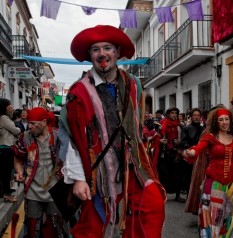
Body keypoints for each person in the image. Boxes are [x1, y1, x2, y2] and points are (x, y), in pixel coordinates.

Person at [57, 25, 165, 238]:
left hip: (131, 166)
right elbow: (69, 137)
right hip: (97, 171)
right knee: (91, 228)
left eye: (107, 48)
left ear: (117, 52)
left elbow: (135, 123)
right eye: (95, 49)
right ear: (90, 56)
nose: (102, 54)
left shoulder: (133, 84)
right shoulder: (79, 92)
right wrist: (78, 178)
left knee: (152, 205)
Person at [183, 108, 233, 237]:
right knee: (213, 218)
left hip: (231, 185)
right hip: (213, 184)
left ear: (231, 121)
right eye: (221, 120)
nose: (224, 122)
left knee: (230, 216)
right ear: (215, 122)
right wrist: (191, 152)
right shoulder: (209, 137)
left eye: (226, 119)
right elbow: (198, 148)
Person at [13, 107, 65, 238]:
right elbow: (18, 158)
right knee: (32, 229)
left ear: (43, 121)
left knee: (55, 228)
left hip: (55, 192)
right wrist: (19, 171)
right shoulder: (25, 137)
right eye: (28, 123)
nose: (29, 126)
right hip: (32, 192)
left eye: (32, 123)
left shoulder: (58, 137)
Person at [158, 107, 185, 202]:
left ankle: (177, 195)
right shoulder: (162, 124)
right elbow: (157, 136)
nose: (174, 115)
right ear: (168, 114)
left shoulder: (181, 125)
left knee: (178, 174)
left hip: (176, 152)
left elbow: (184, 138)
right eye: (172, 113)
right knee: (165, 174)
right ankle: (163, 194)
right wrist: (160, 141)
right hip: (165, 152)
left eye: (175, 113)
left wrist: (180, 142)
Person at [0, 98, 21, 202]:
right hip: (5, 148)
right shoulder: (4, 118)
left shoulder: (4, 117)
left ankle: (5, 191)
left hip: (4, 148)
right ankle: (7, 194)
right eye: (9, 107)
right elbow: (15, 130)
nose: (12, 108)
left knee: (5, 171)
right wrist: (19, 129)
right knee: (6, 172)